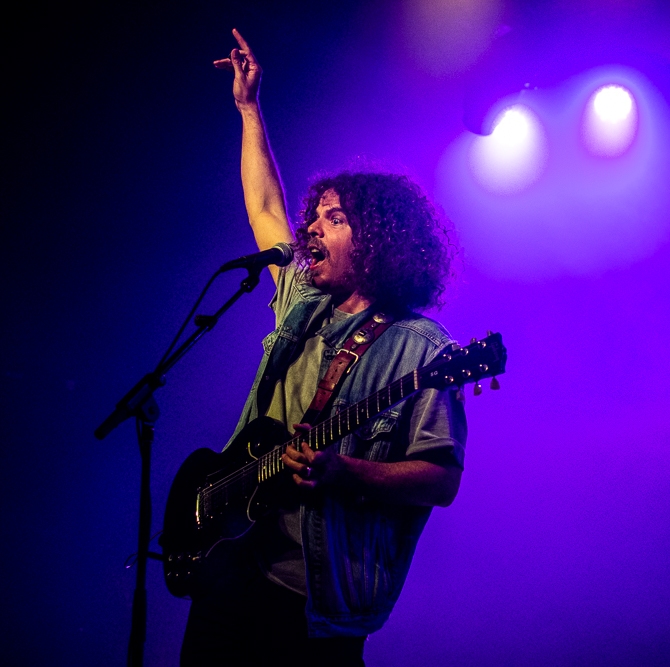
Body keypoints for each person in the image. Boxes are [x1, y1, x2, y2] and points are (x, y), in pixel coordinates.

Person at [180, 29, 467, 667]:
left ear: (378, 243)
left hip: (312, 605)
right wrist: (249, 110)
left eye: (333, 218)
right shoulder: (301, 304)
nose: (310, 227)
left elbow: (441, 479)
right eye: (315, 216)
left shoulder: (422, 348)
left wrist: (344, 472)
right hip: (231, 568)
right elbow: (263, 207)